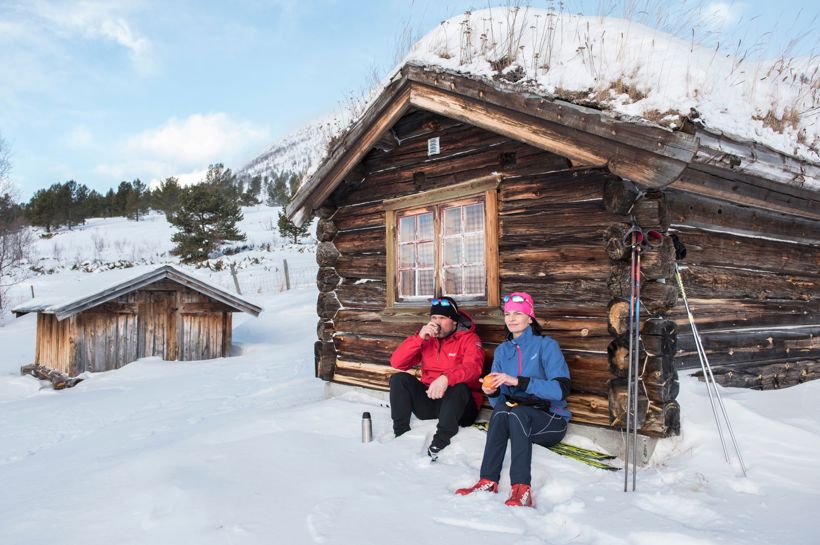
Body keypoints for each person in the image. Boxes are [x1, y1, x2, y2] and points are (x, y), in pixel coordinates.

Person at [455, 292, 571, 507]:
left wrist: (518, 381)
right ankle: (488, 480)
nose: (511, 318)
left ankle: (521, 489)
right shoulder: (502, 351)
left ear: (530, 317)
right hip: (518, 418)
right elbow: (499, 402)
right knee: (500, 411)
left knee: (517, 413)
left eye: (518, 313)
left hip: (551, 420)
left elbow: (560, 390)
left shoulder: (546, 346)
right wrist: (492, 391)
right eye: (508, 314)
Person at [389, 296, 485, 461]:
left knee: (459, 387)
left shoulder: (470, 339)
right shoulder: (427, 339)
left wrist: (446, 378)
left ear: (454, 321)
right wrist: (418, 339)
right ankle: (401, 432)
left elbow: (473, 369)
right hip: (431, 400)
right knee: (399, 379)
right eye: (434, 317)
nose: (437, 322)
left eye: (442, 318)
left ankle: (441, 439)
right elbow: (397, 362)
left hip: (460, 408)